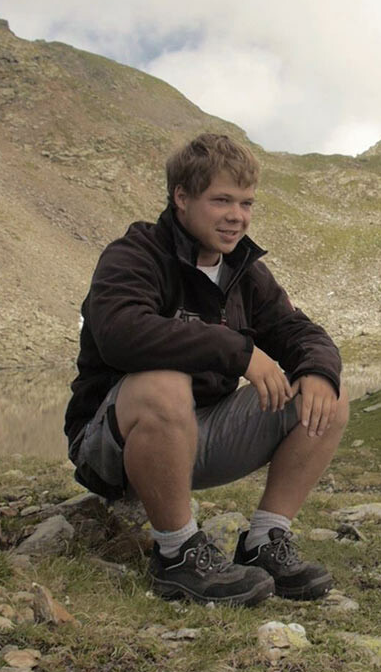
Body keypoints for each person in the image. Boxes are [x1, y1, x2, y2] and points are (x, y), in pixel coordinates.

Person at [64, 133, 348, 607]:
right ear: (182, 197)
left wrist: (318, 368)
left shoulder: (244, 272)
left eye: (246, 202)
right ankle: (176, 555)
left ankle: (265, 541)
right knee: (164, 383)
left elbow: (300, 331)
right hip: (113, 445)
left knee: (325, 395)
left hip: (199, 437)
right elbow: (120, 333)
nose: (237, 215)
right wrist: (238, 351)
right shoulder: (133, 255)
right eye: (221, 200)